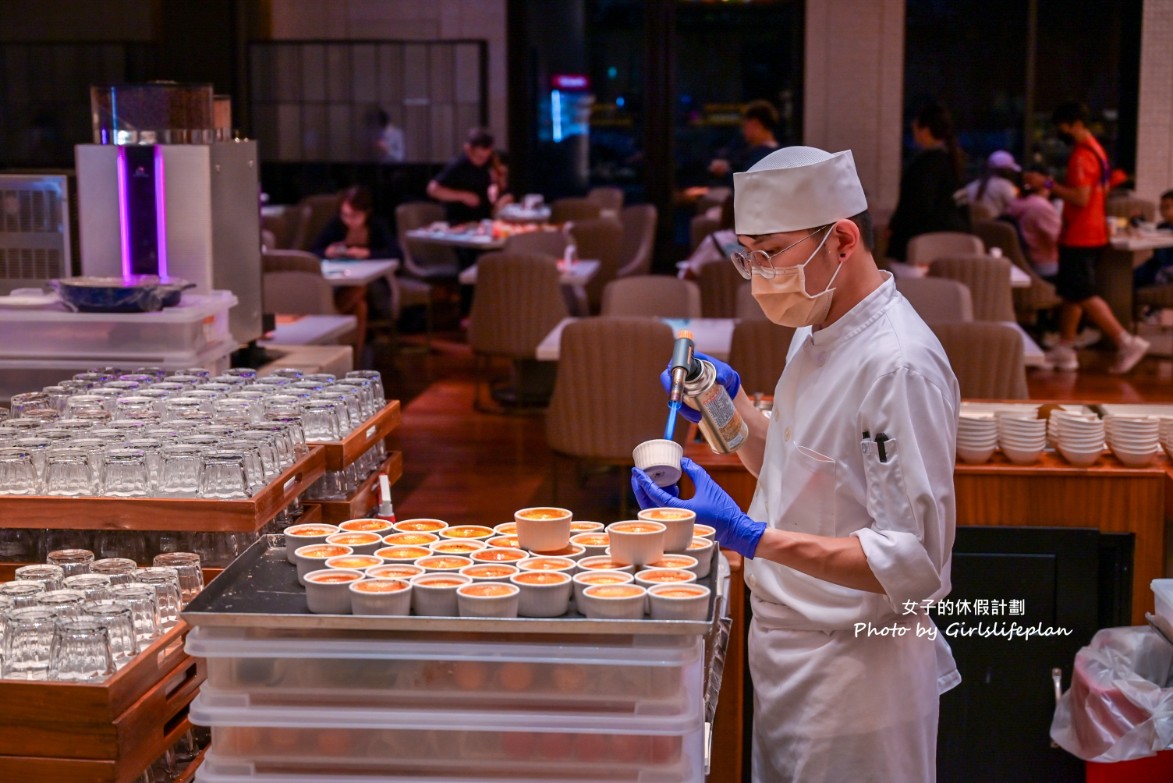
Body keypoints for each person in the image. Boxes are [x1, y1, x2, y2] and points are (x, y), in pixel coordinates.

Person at [633, 146, 961, 782]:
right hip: (785, 649)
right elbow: (791, 460)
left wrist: (749, 536)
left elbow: (913, 563)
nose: (758, 275)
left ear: (842, 239)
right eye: (746, 255)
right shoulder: (816, 328)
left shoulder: (897, 364)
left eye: (772, 252)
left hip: (856, 669)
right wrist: (720, 404)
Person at [1022, 101, 1150, 374]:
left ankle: (1126, 341)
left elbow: (1081, 197)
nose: (1060, 132)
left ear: (1074, 124)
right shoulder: (1097, 150)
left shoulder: (1082, 155)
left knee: (1084, 293)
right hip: (1090, 232)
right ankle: (1065, 350)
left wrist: (1046, 184)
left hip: (1081, 234)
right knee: (1072, 294)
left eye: (1062, 127)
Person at [310, 186, 396, 363]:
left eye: (354, 216)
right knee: (359, 307)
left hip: (376, 285)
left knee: (360, 289)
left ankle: (329, 319)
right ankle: (355, 361)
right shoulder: (336, 225)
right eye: (345, 215)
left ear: (367, 213)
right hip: (341, 282)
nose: (349, 220)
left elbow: (396, 254)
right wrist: (328, 251)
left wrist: (368, 254)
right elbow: (313, 252)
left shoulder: (377, 226)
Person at [886, 101, 970, 261]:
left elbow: (916, 207)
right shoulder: (954, 162)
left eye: (915, 129)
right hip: (958, 243)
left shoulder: (925, 165)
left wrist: (895, 228)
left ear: (924, 131)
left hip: (925, 245)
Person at [426, 127, 497, 226]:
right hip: (460, 222)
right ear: (468, 150)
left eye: (486, 157)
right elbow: (433, 190)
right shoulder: (457, 165)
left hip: (483, 220)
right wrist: (463, 196)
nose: (483, 161)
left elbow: (490, 180)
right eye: (479, 157)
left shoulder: (486, 163)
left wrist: (492, 187)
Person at [1004, 169, 1062, 280]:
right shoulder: (1042, 208)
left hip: (1022, 264)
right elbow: (1059, 239)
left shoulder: (1013, 204)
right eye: (1050, 182)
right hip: (1044, 268)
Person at [708, 100, 781, 181]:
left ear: (755, 124)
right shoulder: (781, 154)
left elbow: (748, 186)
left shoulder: (760, 157)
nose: (743, 132)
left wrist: (725, 173)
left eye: (745, 126)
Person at [955, 149, 1021, 219]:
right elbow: (1016, 209)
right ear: (1006, 171)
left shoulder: (971, 186)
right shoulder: (1005, 185)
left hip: (972, 227)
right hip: (996, 227)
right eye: (1011, 171)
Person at [1133, 189, 1173, 288]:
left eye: (1167, 207)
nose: (1163, 211)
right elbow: (1148, 230)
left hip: (1167, 266)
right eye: (1161, 208)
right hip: (1156, 264)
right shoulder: (1162, 226)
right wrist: (1138, 221)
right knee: (1132, 276)